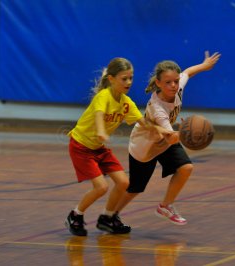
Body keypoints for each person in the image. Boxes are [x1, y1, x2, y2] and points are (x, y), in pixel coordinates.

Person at [65, 57, 169, 236]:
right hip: (81, 146)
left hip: (98, 148)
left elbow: (143, 122)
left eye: (131, 78)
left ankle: (107, 218)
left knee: (123, 183)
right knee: (101, 187)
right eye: (124, 78)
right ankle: (75, 215)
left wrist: (160, 130)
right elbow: (99, 115)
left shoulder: (126, 103)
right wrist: (101, 131)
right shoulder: (103, 96)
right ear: (111, 79)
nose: (129, 82)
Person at [114, 51, 221, 226]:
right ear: (158, 83)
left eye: (175, 81)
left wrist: (204, 66)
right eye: (168, 82)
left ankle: (165, 206)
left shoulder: (177, 87)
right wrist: (188, 132)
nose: (173, 85)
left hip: (162, 140)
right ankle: (111, 214)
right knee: (136, 188)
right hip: (144, 147)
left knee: (185, 167)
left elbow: (187, 72)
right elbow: (171, 137)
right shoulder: (158, 108)